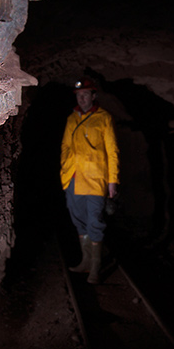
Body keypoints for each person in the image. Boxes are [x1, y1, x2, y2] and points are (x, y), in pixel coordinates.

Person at [60, 77, 119, 284]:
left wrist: (112, 181)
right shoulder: (71, 119)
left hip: (95, 179)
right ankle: (85, 261)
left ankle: (95, 267)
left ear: (93, 96)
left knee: (95, 221)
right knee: (79, 221)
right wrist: (65, 173)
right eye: (79, 95)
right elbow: (65, 147)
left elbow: (112, 151)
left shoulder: (104, 118)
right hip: (73, 179)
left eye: (85, 94)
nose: (82, 98)